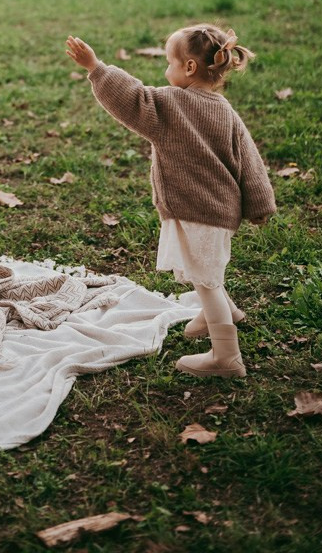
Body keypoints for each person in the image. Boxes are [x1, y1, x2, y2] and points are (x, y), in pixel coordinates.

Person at [66, 24, 276, 379]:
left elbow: (131, 97)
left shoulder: (169, 104)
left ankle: (226, 356)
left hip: (196, 210)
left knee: (205, 279)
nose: (166, 71)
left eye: (169, 63)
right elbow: (250, 161)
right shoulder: (225, 110)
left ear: (190, 68)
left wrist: (96, 67)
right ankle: (226, 312)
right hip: (222, 211)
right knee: (205, 268)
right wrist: (261, 205)